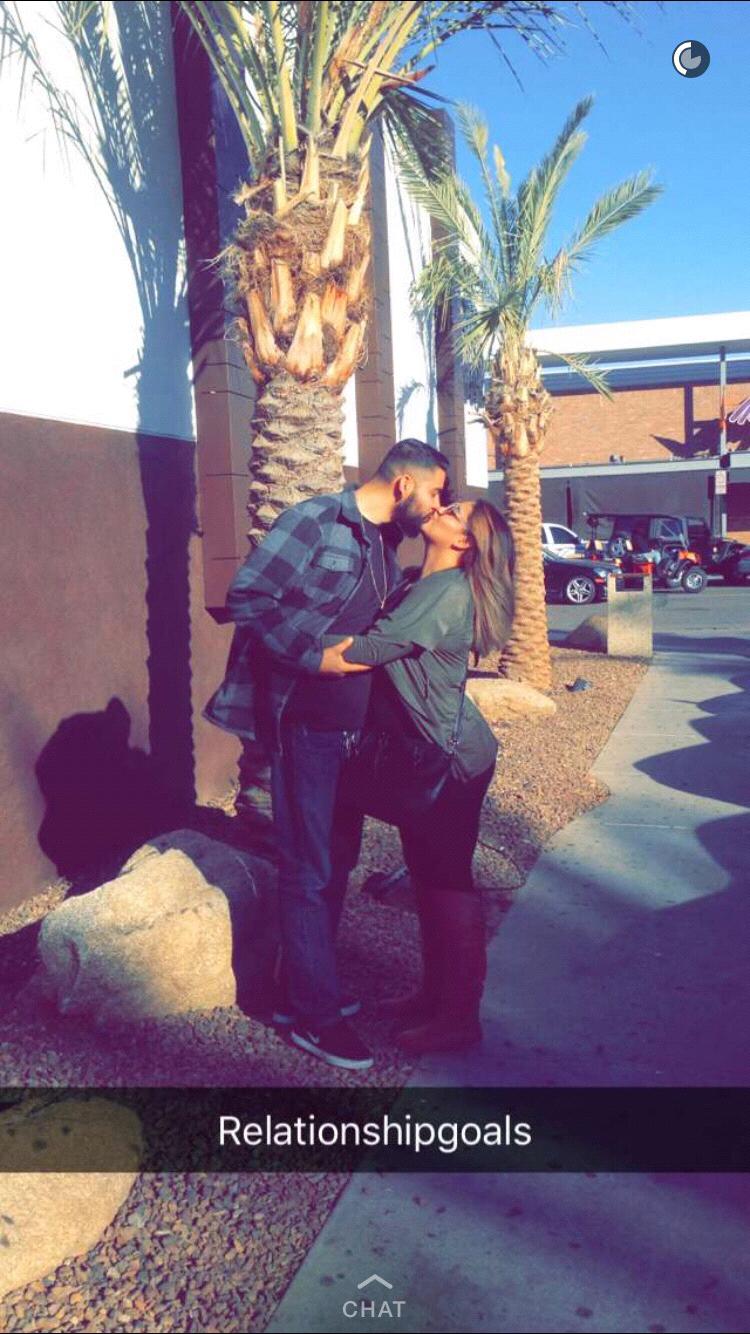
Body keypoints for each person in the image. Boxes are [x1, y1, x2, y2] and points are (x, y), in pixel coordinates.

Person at [203, 440, 451, 1071]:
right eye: (434, 492)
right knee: (308, 869)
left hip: (349, 732)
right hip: (304, 724)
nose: (436, 505)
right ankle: (314, 1018)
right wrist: (312, 657)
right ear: (403, 485)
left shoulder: (386, 544)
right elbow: (248, 597)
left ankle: (301, 993)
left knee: (334, 862)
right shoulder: (316, 520)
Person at [318, 498, 515, 1056]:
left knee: (448, 883)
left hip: (450, 761)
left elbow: (365, 653)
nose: (439, 508)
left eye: (453, 512)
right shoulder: (416, 583)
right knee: (429, 878)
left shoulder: (447, 592)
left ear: (465, 542)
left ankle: (459, 1017)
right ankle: (434, 995)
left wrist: (288, 649)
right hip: (425, 753)